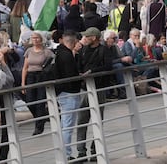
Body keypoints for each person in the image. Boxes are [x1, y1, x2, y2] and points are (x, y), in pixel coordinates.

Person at [76, 27, 112, 160]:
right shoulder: (83, 50)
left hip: (99, 88)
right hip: (84, 88)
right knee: (82, 120)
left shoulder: (104, 50)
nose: (85, 39)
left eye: (87, 36)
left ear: (94, 38)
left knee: (97, 120)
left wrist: (92, 72)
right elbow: (79, 64)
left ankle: (95, 148)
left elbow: (108, 66)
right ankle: (81, 150)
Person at [53, 31, 82, 160]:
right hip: (69, 92)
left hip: (62, 92)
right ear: (73, 42)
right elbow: (71, 74)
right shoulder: (67, 55)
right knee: (68, 125)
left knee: (66, 124)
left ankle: (65, 153)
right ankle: (67, 154)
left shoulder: (58, 52)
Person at [21, 30, 53, 135]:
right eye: (33, 38)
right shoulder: (28, 51)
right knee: (30, 101)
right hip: (30, 76)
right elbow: (25, 68)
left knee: (40, 102)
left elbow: (52, 62)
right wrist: (23, 83)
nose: (35, 40)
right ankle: (42, 117)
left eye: (37, 38)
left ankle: (38, 127)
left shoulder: (46, 51)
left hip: (41, 76)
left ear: (41, 39)